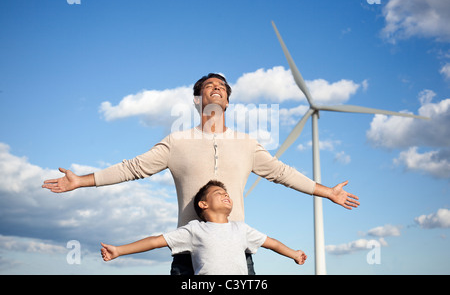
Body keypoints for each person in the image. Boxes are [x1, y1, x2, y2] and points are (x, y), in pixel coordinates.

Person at [42, 73, 359, 274]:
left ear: (228, 100)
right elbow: (132, 168)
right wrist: (81, 181)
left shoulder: (246, 144)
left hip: (236, 254)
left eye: (222, 87)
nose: (217, 89)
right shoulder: (176, 142)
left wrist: (328, 191)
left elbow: (282, 173)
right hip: (187, 255)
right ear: (198, 100)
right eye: (210, 86)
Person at [100, 180, 307, 275]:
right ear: (203, 204)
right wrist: (119, 250)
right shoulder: (194, 230)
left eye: (227, 193)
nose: (226, 195)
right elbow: (156, 241)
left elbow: (271, 243)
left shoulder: (241, 228)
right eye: (218, 192)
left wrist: (294, 254)